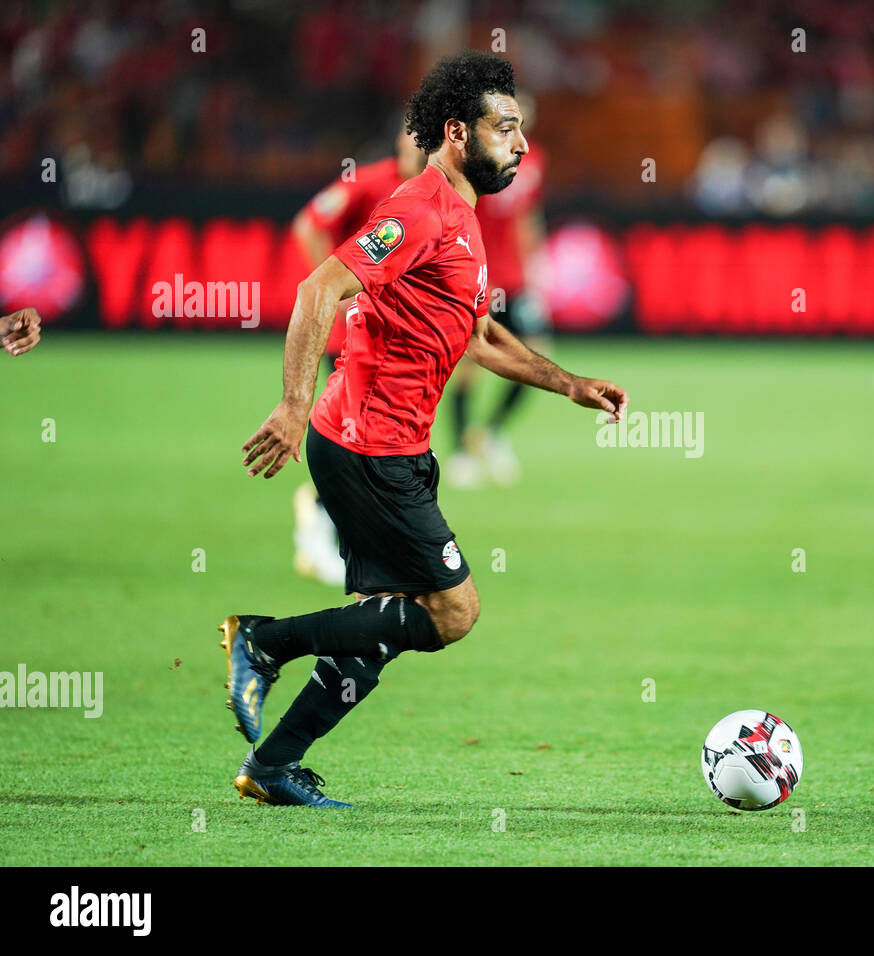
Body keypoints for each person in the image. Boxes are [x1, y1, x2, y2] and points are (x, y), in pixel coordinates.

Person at [222, 51, 628, 808]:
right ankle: (263, 641)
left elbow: (478, 337)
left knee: (374, 630)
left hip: (394, 444)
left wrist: (570, 384)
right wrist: (290, 403)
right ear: (455, 131)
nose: (521, 144)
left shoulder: (463, 216)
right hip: (365, 444)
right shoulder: (421, 209)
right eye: (505, 128)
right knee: (453, 611)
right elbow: (319, 287)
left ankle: (271, 766)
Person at [289, 129, 427, 586]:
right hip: (354, 341)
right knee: (361, 446)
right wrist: (335, 290)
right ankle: (316, 519)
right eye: (409, 145)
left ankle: (342, 536)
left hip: (399, 346)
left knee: (374, 448)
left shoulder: (434, 195)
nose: (415, 154)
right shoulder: (368, 182)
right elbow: (308, 223)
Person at [445, 98, 550, 489]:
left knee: (535, 356)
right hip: (479, 272)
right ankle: (459, 451)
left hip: (516, 278)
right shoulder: (478, 154)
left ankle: (489, 434)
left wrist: (536, 267)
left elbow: (527, 216)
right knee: (469, 362)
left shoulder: (534, 159)